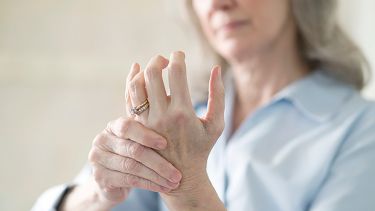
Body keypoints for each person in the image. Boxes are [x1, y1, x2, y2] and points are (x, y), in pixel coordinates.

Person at [32, 0, 375, 210]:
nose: (218, 2)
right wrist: (101, 189)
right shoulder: (181, 120)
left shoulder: (361, 130)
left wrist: (185, 186)